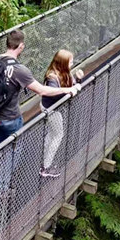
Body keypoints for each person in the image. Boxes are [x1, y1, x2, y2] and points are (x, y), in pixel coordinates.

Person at [0, 30, 81, 147]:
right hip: (10, 118)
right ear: (21, 46)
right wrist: (66, 90)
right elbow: (42, 90)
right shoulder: (19, 69)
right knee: (14, 150)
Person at [40, 50, 85, 178]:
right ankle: (46, 167)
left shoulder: (64, 73)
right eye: (70, 62)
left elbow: (73, 85)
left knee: (52, 134)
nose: (72, 64)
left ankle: (45, 161)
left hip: (53, 108)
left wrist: (78, 79)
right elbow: (54, 94)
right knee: (58, 135)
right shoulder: (52, 77)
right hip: (51, 110)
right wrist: (69, 91)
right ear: (63, 63)